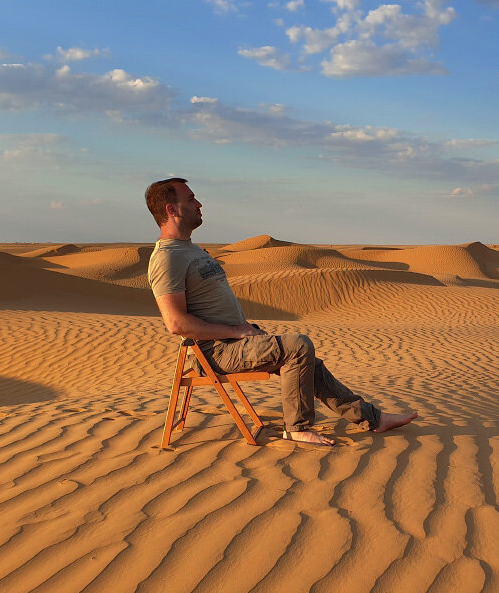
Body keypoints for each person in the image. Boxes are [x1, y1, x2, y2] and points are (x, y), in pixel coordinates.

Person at [145, 177, 417, 446]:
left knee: (309, 362)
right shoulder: (166, 257)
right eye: (191, 199)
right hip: (214, 352)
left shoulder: (190, 250)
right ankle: (296, 428)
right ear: (171, 209)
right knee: (298, 346)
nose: (199, 203)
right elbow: (176, 323)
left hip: (236, 340)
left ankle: (373, 418)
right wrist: (235, 331)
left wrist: (245, 330)